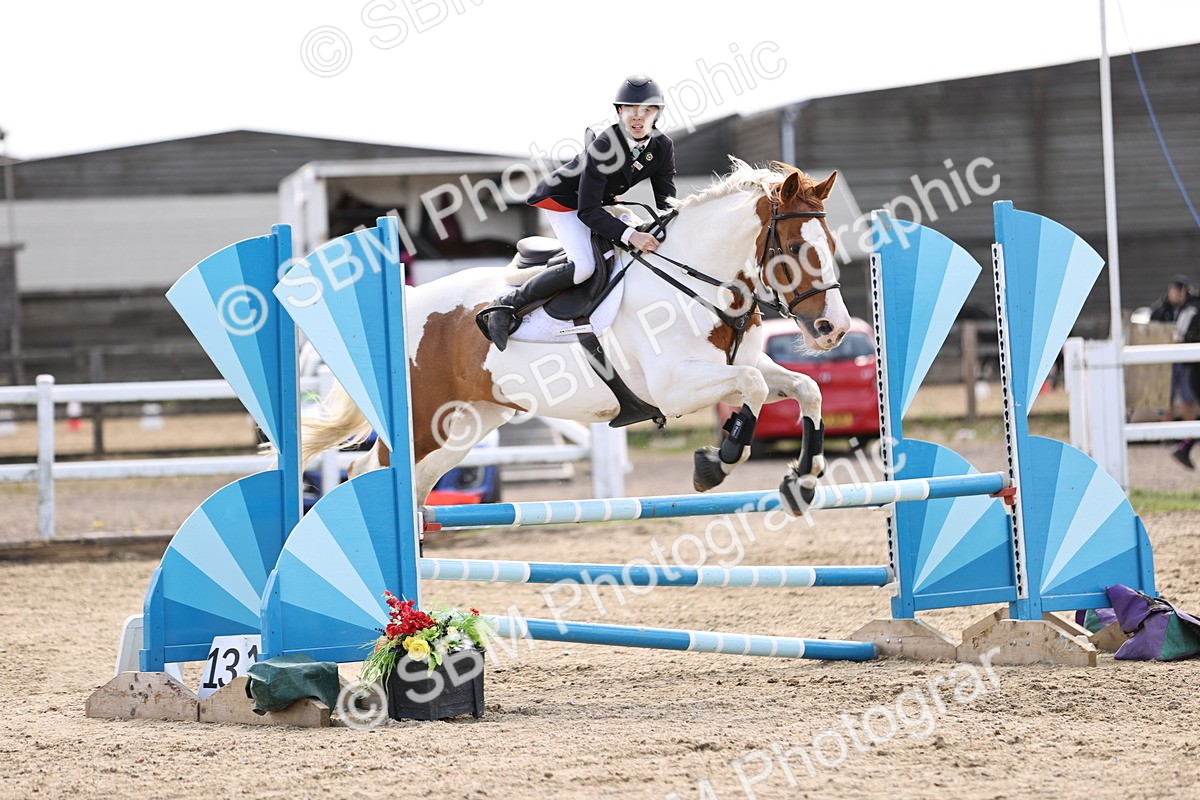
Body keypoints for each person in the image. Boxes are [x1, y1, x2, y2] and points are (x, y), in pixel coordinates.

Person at [478, 74, 677, 351]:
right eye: (630, 109)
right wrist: (631, 236)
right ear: (620, 111)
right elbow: (587, 211)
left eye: (646, 110)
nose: (637, 117)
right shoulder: (605, 145)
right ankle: (506, 306)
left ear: (657, 114)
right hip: (567, 202)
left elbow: (667, 202)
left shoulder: (662, 146)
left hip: (600, 202)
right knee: (584, 266)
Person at [1149, 274, 1200, 468]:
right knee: (1165, 399)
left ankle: (1185, 445)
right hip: (1182, 365)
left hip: (1190, 365)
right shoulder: (1164, 308)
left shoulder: (1192, 307)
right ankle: (1181, 443)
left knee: (1188, 400)